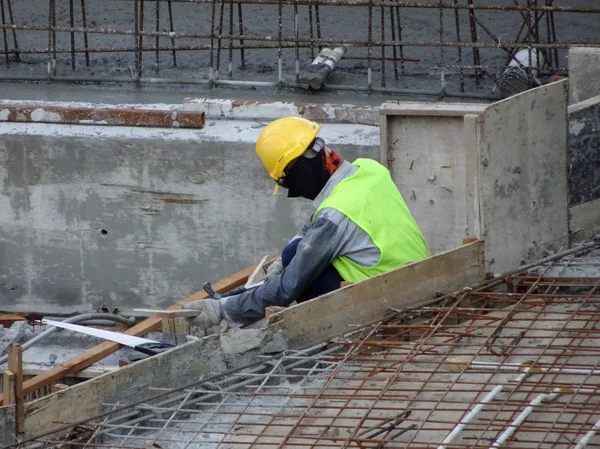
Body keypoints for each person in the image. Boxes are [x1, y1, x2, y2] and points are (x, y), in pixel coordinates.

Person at [185, 117, 429, 329]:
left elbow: (286, 289)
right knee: (293, 252)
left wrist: (223, 310)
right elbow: (317, 222)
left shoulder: (334, 216)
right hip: (420, 282)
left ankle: (328, 337)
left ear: (299, 172)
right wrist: (282, 261)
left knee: (300, 271)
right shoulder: (369, 170)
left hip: (392, 308)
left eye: (285, 183)